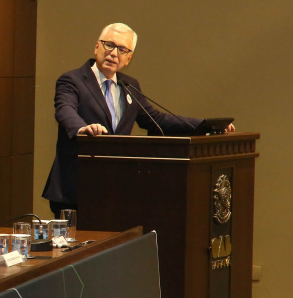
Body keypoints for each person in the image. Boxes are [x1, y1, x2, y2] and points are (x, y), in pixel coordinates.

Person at [42, 22, 234, 217]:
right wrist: (82, 129)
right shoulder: (72, 80)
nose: (114, 53)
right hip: (77, 188)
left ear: (128, 58)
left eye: (122, 49)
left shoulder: (129, 86)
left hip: (116, 190)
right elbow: (65, 110)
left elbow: (155, 120)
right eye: (109, 45)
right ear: (97, 46)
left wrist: (204, 125)